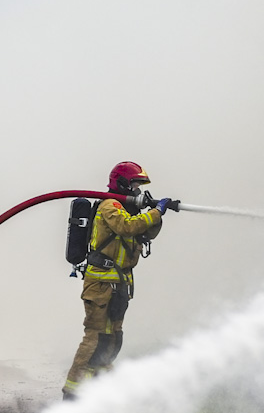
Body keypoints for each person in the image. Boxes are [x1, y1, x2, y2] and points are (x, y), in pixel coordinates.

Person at [63, 161, 178, 398]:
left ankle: (99, 389)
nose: (138, 189)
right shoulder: (109, 205)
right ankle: (72, 392)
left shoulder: (128, 208)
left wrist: (156, 214)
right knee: (95, 335)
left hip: (120, 283)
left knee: (113, 336)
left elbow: (145, 233)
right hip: (101, 283)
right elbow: (126, 227)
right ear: (123, 183)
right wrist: (155, 212)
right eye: (135, 184)